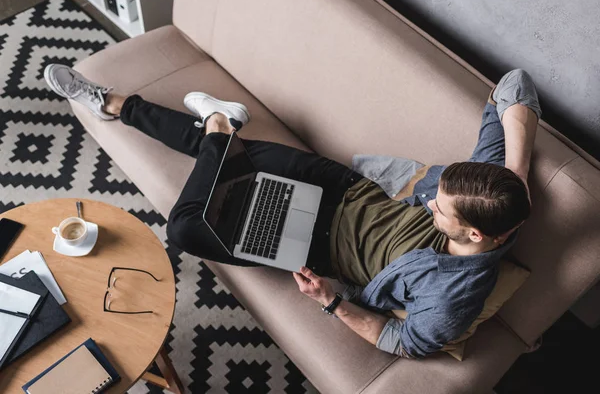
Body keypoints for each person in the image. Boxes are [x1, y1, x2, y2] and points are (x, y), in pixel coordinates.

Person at [45, 64, 540, 358]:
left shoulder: (452, 299)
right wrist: (516, 173)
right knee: (228, 159)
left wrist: (332, 303)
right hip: (339, 187)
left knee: (185, 227)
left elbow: (405, 341)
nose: (429, 199)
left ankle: (213, 122)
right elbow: (513, 84)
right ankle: (127, 106)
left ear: (475, 236)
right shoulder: (493, 194)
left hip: (310, 247)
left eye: (440, 208)